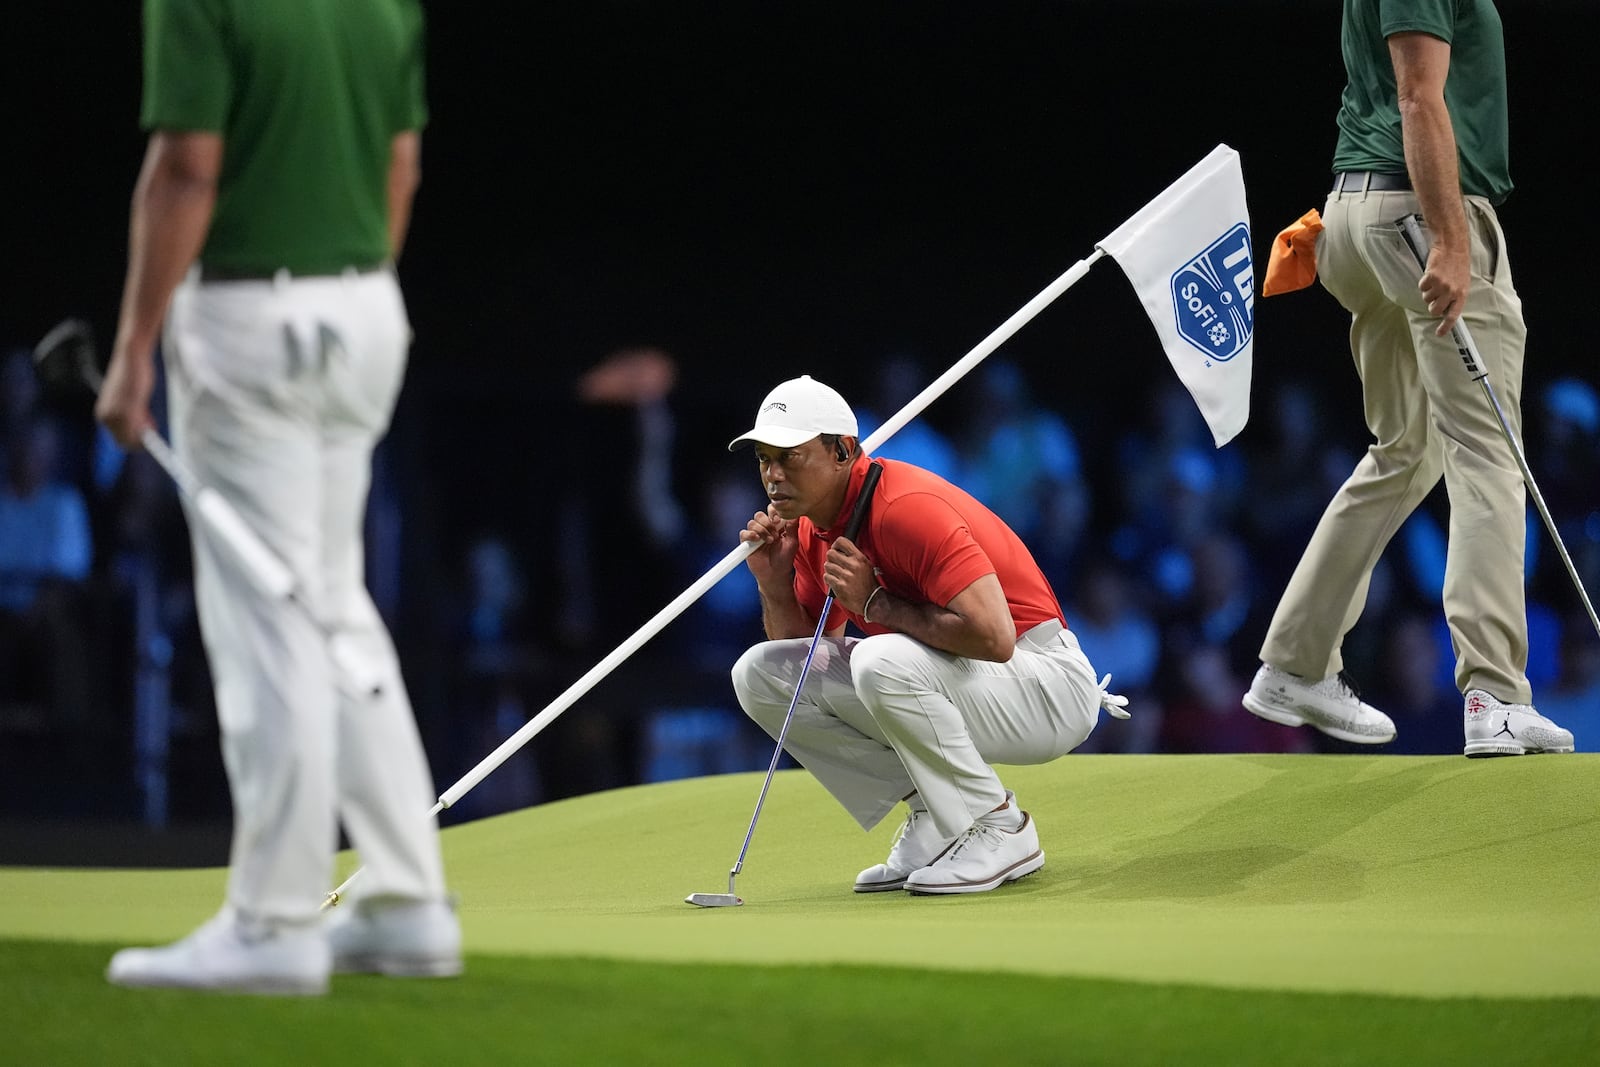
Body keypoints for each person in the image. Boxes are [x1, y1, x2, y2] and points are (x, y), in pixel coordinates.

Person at [94, 0, 458, 994]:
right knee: (331, 601)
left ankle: (274, 920)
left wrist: (131, 351)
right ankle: (405, 900)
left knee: (271, 617)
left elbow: (186, 171)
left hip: (254, 314)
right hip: (367, 307)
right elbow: (401, 168)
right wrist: (352, 298)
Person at [1242, 0, 1574, 758]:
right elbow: (1418, 92)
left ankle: (1295, 661)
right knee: (1487, 451)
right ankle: (1495, 692)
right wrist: (1453, 240)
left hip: (1358, 217)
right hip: (1420, 216)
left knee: (1407, 449)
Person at [727, 375, 1127, 896]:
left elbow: (995, 638)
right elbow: (804, 660)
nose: (773, 475)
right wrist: (776, 584)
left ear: (844, 451)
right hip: (969, 680)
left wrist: (877, 604)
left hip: (1048, 684)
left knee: (880, 660)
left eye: (790, 456)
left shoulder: (903, 508)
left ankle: (1000, 828)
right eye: (763, 459)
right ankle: (934, 815)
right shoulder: (807, 527)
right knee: (760, 673)